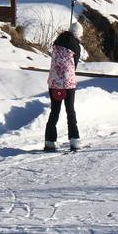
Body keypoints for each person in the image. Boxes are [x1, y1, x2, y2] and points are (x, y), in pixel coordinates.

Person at [44, 23, 83, 152]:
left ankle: (49, 141)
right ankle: (74, 140)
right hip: (68, 83)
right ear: (78, 34)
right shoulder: (76, 45)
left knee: (54, 111)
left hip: (54, 81)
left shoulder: (57, 41)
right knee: (70, 111)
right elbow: (74, 64)